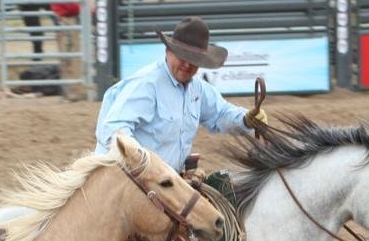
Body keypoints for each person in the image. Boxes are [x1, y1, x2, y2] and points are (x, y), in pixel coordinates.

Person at [95, 16, 269, 174]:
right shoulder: (146, 84)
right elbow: (114, 130)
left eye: (193, 59)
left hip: (166, 183)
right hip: (131, 179)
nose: (187, 64)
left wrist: (245, 119)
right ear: (168, 52)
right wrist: (141, 164)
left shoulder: (198, 89)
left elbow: (221, 113)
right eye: (182, 56)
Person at [48, 0, 85, 101]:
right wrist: (86, 8)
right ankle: (72, 92)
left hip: (65, 21)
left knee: (68, 57)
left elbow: (74, 0)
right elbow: (71, 6)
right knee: (71, 57)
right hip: (67, 21)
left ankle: (70, 91)